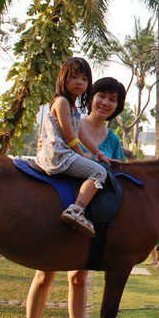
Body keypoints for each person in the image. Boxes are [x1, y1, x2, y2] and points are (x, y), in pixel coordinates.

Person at [19, 77, 126, 318]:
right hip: (57, 203)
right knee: (43, 274)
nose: (105, 103)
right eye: (102, 95)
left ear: (118, 106)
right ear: (92, 97)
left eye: (113, 100)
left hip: (88, 214)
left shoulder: (113, 140)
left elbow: (114, 178)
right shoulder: (72, 119)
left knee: (79, 278)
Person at [34, 57, 112, 238]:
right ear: (64, 78)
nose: (79, 82)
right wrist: (81, 154)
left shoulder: (73, 107)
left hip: (64, 153)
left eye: (84, 79)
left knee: (98, 165)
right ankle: (76, 210)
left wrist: (98, 154)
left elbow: (81, 134)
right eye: (74, 77)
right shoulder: (61, 102)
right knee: (100, 173)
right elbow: (69, 134)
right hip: (59, 155)